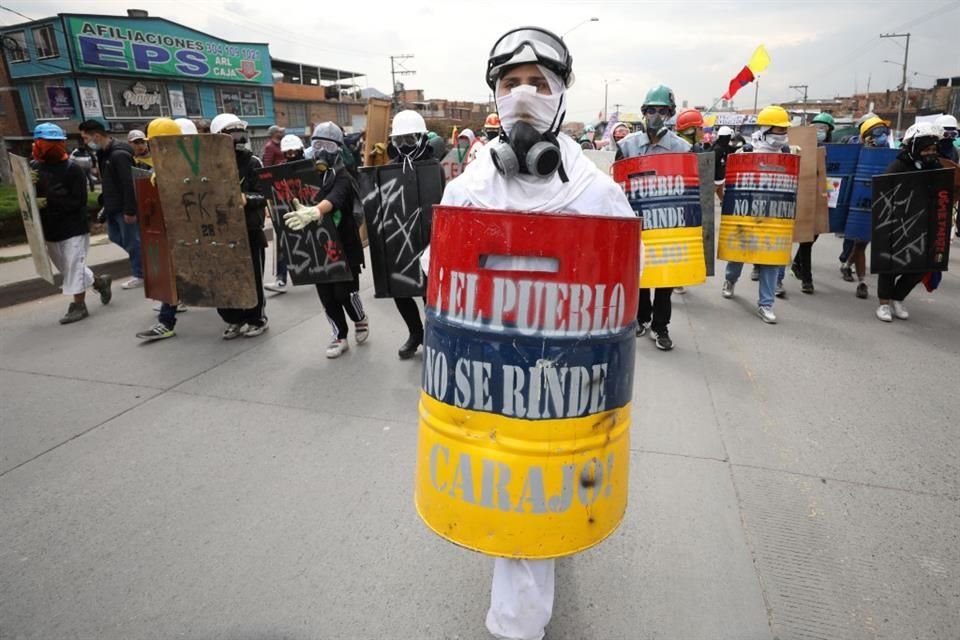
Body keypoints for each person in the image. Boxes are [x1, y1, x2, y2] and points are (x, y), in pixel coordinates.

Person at [435, 27, 633, 640]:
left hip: (565, 381)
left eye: (537, 83)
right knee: (517, 508)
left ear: (561, 96)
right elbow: (437, 274)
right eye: (510, 83)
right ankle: (515, 627)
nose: (523, 95)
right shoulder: (467, 189)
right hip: (492, 380)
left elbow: (626, 281)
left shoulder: (598, 195)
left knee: (548, 490)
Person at [284, 122, 368, 358]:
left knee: (345, 293)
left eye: (328, 146)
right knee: (327, 296)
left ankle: (360, 318)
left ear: (338, 149)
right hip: (317, 247)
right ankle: (339, 336)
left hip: (345, 245)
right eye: (317, 144)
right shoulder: (306, 174)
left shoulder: (344, 176)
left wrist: (315, 211)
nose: (322, 150)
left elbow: (337, 197)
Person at [616, 84, 691, 350]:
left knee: (665, 278)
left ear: (670, 113)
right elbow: (617, 186)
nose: (656, 116)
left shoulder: (682, 148)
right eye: (651, 110)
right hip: (636, 221)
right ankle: (641, 317)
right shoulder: (626, 146)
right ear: (643, 112)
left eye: (662, 111)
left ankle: (661, 326)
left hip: (668, 222)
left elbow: (690, 189)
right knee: (640, 274)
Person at [31, 122, 112, 324]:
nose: (48, 146)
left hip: (74, 226)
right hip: (50, 228)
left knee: (74, 265)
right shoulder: (34, 169)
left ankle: (78, 306)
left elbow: (79, 201)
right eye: (44, 142)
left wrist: (51, 200)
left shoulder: (72, 170)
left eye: (53, 142)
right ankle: (100, 282)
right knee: (67, 268)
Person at [721, 105, 794, 324]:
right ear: (765, 129)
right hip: (747, 213)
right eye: (777, 130)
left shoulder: (786, 153)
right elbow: (732, 180)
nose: (781, 135)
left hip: (773, 214)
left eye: (784, 130)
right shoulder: (747, 151)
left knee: (770, 261)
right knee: (738, 256)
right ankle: (730, 281)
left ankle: (766, 304)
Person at [382, 110, 443, 359]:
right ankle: (415, 333)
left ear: (421, 138)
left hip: (428, 239)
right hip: (398, 237)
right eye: (400, 141)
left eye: (410, 140)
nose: (405, 146)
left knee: (428, 291)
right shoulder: (388, 170)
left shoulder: (434, 168)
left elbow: (440, 204)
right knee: (400, 289)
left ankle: (433, 335)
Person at [209, 112, 270, 339]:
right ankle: (233, 319)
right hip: (219, 231)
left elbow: (264, 193)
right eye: (231, 132)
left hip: (248, 229)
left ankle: (256, 318)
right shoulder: (207, 163)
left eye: (238, 131)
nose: (237, 137)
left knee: (252, 276)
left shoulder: (252, 162)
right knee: (223, 277)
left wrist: (247, 199)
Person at [875, 122, 943, 322]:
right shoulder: (899, 165)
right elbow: (884, 192)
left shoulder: (936, 167)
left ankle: (898, 297)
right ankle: (884, 304)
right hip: (898, 223)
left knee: (920, 266)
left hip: (924, 224)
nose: (930, 153)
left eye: (933, 149)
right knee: (890, 265)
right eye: (926, 149)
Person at [135, 117, 195, 342]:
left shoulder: (190, 161)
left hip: (193, 227)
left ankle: (236, 314)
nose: (154, 148)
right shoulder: (159, 166)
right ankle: (166, 321)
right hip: (173, 230)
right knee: (173, 272)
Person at [78, 119, 144, 289]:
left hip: (124, 207)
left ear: (97, 136)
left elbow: (128, 184)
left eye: (86, 138)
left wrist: (130, 210)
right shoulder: (104, 154)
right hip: (112, 206)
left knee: (132, 241)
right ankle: (144, 261)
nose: (85, 142)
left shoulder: (119, 154)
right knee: (115, 237)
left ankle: (141, 273)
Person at [841, 115, 890, 299]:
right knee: (860, 242)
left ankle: (847, 265)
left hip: (881, 204)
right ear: (865, 136)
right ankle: (862, 282)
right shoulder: (857, 154)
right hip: (859, 203)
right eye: (876, 133)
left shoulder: (891, 154)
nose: (881, 136)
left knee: (863, 241)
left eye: (883, 132)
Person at [790, 111, 834, 294]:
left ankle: (797, 263)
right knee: (806, 237)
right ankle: (807, 279)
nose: (819, 131)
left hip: (823, 193)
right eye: (816, 127)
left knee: (814, 235)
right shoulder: (802, 146)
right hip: (803, 192)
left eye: (823, 128)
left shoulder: (833, 149)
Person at [264, 134, 306, 294]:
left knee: (318, 240)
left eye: (293, 152)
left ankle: (327, 271)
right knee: (284, 244)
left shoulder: (309, 165)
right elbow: (272, 188)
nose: (291, 156)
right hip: (288, 211)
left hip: (309, 210)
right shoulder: (280, 169)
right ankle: (281, 279)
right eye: (287, 153)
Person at [712, 125, 736, 199]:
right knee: (709, 196)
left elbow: (733, 149)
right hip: (715, 177)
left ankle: (724, 204)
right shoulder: (718, 149)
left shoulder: (724, 147)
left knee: (720, 192)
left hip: (720, 176)